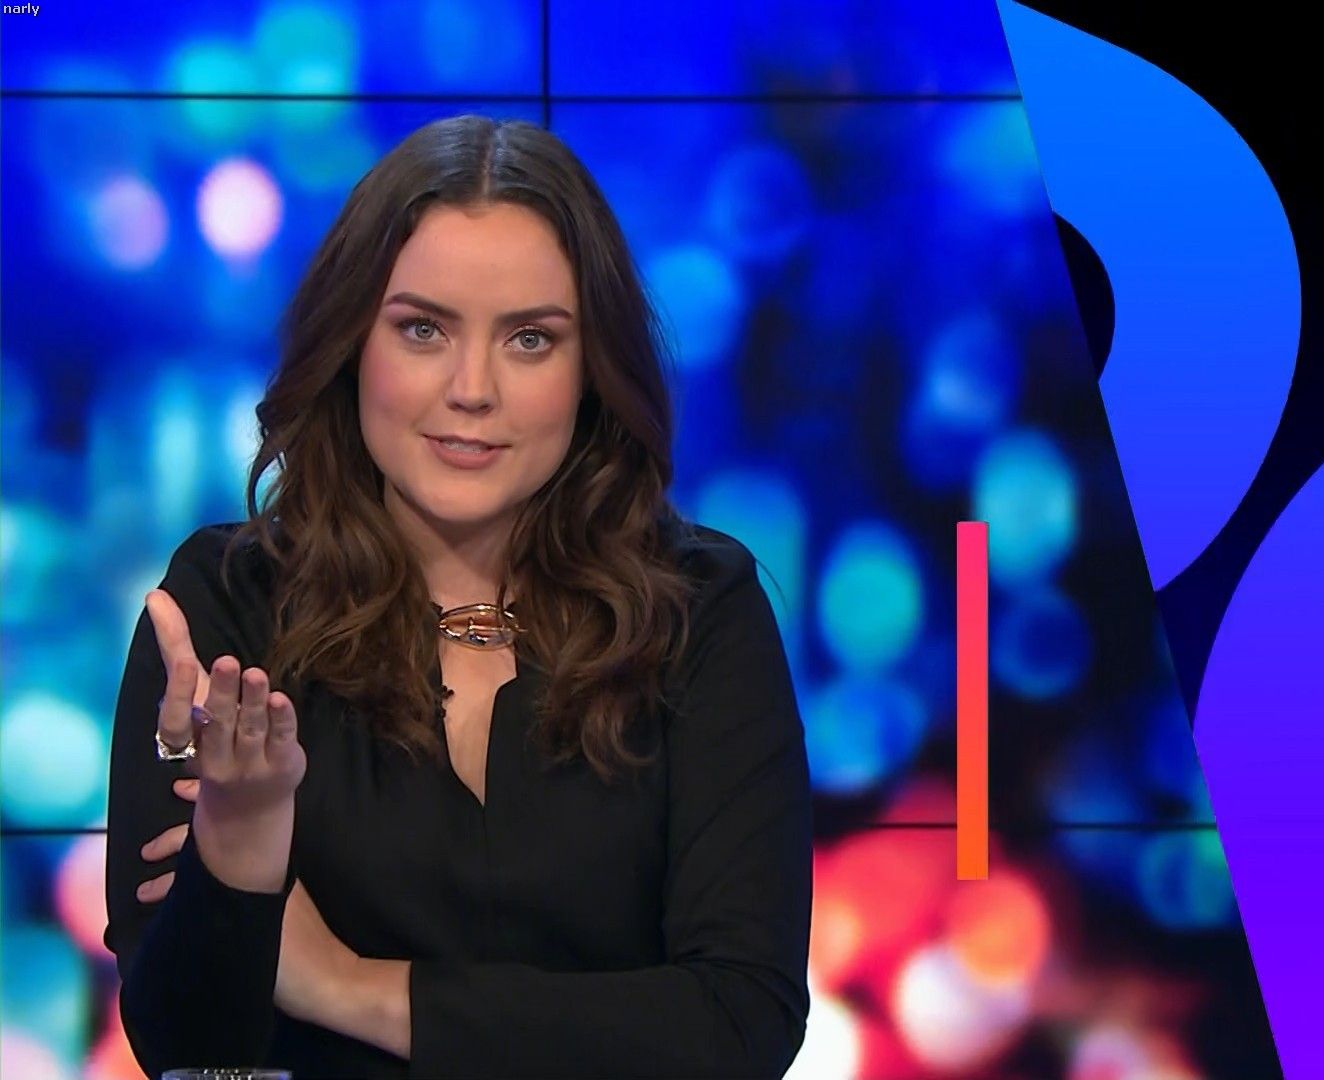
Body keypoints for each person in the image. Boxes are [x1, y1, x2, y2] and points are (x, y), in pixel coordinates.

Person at [102, 115, 813, 1079]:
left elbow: (739, 1025)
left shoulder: (698, 610)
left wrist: (348, 985)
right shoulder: (230, 611)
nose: (472, 389)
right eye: (423, 329)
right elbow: (183, 1052)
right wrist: (237, 852)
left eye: (530, 339)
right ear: (353, 341)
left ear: (590, 370)